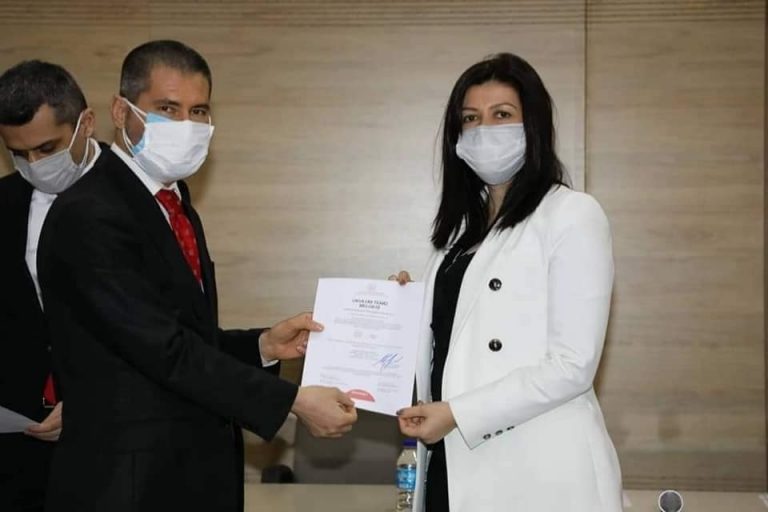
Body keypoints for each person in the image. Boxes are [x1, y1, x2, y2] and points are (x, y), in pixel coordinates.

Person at [36, 40, 357, 512]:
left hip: (185, 479)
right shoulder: (89, 213)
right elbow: (163, 350)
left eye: (199, 111)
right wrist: (291, 400)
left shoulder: (173, 204)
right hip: (125, 487)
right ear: (121, 112)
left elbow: (184, 335)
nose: (186, 126)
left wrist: (263, 346)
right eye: (167, 109)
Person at [394, 53, 623, 511]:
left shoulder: (572, 214)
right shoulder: (459, 234)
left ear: (533, 125)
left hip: (536, 466)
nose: (484, 130)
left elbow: (573, 365)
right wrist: (401, 308)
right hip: (451, 459)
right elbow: (454, 340)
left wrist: (458, 414)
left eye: (502, 115)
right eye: (470, 119)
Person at [0, 60, 104, 512]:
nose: (34, 165)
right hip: (17, 451)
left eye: (47, 148)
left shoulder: (140, 194)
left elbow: (166, 329)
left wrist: (91, 398)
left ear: (86, 123)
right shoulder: (4, 203)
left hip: (112, 448)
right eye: (18, 153)